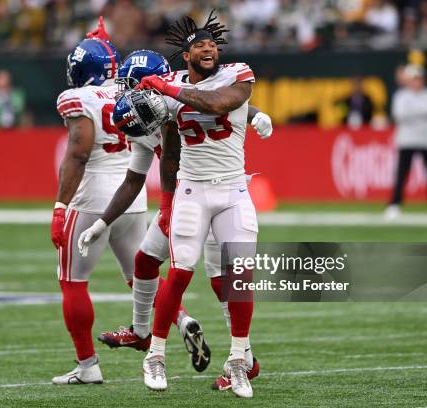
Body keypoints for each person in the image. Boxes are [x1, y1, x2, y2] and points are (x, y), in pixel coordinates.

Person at [78, 48, 272, 389]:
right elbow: (135, 177)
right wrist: (102, 223)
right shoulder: (145, 119)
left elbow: (221, 103)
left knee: (223, 277)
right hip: (186, 198)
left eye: (134, 86)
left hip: (214, 191)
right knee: (146, 260)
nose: (128, 93)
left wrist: (255, 114)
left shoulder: (176, 101)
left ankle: (245, 358)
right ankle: (142, 333)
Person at [50, 20, 193, 386]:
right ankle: (183, 319)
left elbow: (78, 154)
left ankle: (87, 366)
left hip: (91, 199)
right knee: (140, 277)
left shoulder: (78, 98)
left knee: (73, 282)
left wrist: (60, 206)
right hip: (132, 196)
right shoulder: (130, 89)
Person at [131, 10, 260, 398]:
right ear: (186, 55)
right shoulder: (170, 84)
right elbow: (167, 149)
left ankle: (239, 360)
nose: (208, 49)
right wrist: (136, 106)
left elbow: (220, 104)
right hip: (193, 189)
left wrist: (166, 91)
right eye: (199, 45)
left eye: (212, 44)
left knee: (240, 275)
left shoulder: (238, 74)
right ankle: (155, 355)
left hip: (234, 189)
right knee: (181, 271)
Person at [385, 64, 427, 219]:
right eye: (413, 79)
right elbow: (399, 114)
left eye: (418, 79)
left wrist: (412, 112)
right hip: (406, 140)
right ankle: (394, 205)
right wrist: (421, 113)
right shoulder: (401, 96)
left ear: (423, 80)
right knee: (401, 175)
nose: (416, 82)